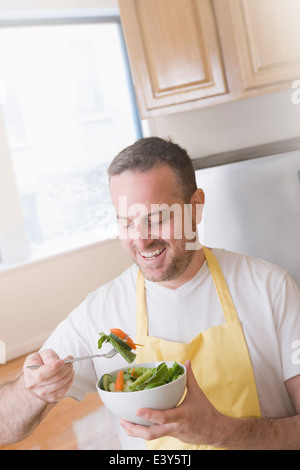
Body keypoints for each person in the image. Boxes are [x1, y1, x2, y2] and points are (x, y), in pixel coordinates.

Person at [0, 137, 300, 450]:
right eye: (127, 223)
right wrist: (30, 389)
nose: (141, 241)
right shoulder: (99, 313)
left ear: (195, 207)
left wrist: (222, 431)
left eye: (155, 219)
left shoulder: (271, 289)